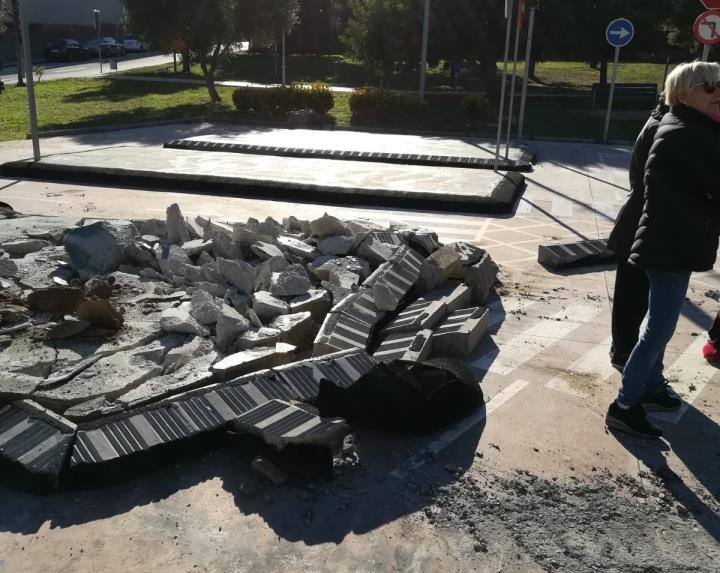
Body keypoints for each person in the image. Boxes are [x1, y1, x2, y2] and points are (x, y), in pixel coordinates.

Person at [606, 61, 720, 439]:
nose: (718, 89)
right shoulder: (687, 133)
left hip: (674, 240)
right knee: (658, 329)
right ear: (686, 91)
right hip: (669, 243)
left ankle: (651, 387)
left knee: (656, 325)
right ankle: (624, 406)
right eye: (709, 85)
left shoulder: (692, 127)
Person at [607, 97, 669, 371]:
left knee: (632, 294)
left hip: (641, 220)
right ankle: (625, 353)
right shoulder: (664, 128)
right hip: (643, 222)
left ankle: (623, 350)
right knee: (632, 296)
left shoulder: (663, 120)